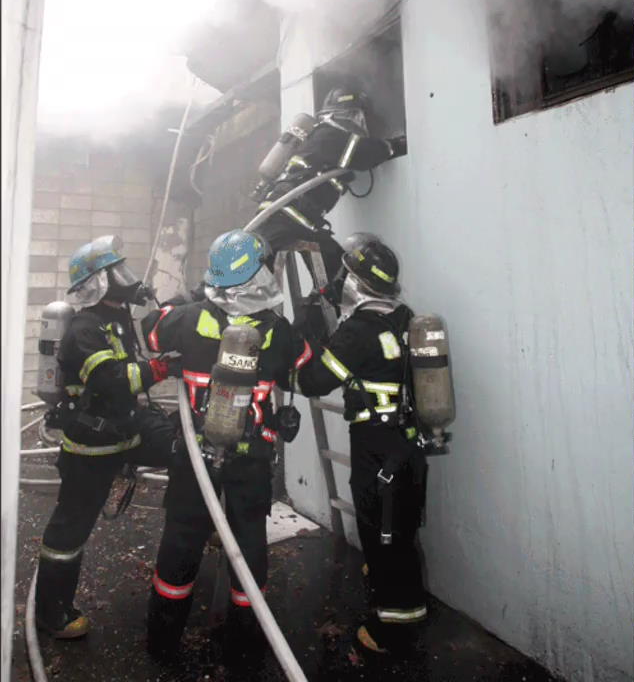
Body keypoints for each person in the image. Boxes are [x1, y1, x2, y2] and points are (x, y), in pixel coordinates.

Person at [140, 229, 310, 664]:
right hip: (252, 456)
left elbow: (151, 332)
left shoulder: (187, 319)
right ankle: (245, 643)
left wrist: (189, 297)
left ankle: (162, 638)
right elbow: (306, 366)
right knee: (249, 540)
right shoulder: (278, 330)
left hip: (195, 454)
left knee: (182, 536)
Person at [294, 233, 429, 658]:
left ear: (355, 283)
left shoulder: (356, 331)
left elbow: (315, 381)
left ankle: (393, 631)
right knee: (401, 529)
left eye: (344, 275)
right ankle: (397, 595)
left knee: (383, 530)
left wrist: (305, 342)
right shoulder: (406, 316)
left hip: (377, 445)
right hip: (410, 444)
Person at [35, 236, 177, 639]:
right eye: (118, 273)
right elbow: (112, 380)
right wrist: (160, 370)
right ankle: (52, 611)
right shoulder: (84, 328)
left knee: (187, 450)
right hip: (92, 446)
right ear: (99, 281)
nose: (127, 279)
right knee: (70, 529)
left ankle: (202, 527)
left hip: (128, 430)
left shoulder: (118, 318)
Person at [252, 86, 408, 290]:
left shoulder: (324, 137)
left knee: (338, 275)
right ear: (349, 114)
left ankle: (316, 315)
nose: (360, 124)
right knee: (254, 278)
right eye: (358, 117)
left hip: (302, 221)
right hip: (282, 216)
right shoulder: (329, 135)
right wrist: (397, 145)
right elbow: (365, 153)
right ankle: (213, 306)